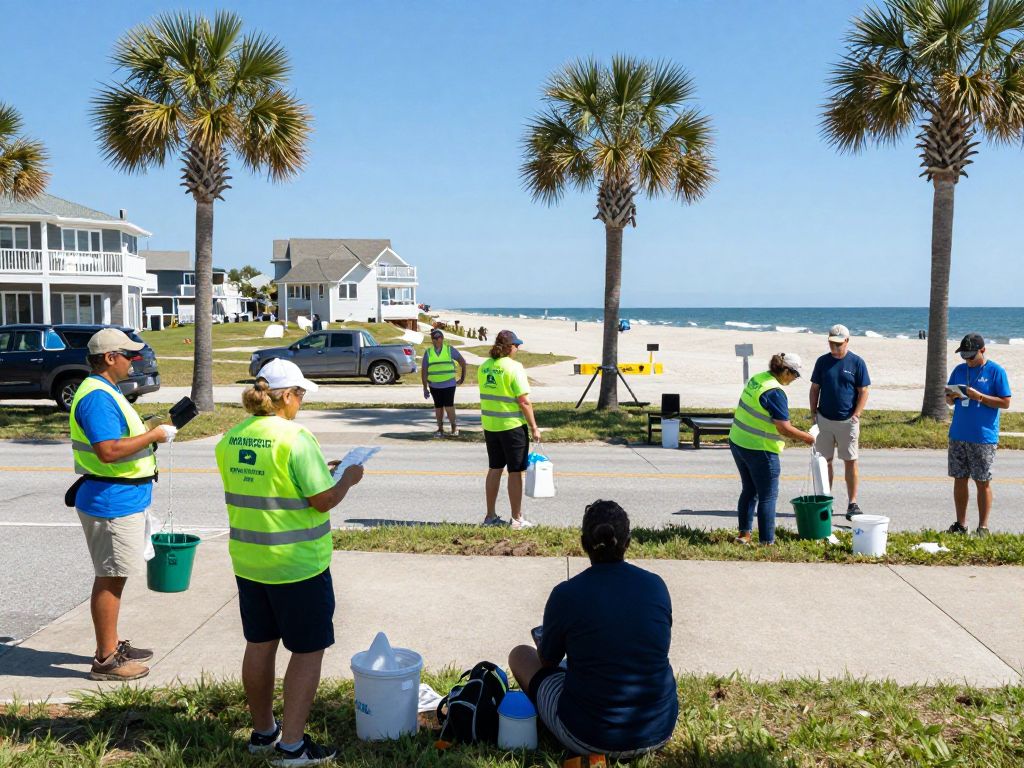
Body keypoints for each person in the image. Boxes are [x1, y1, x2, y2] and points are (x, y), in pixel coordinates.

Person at [215, 359, 364, 765]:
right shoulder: (296, 438)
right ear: (286, 396)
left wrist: (321, 472)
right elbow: (322, 501)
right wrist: (348, 476)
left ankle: (264, 733)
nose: (301, 402)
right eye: (300, 394)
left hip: (249, 562)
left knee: (259, 645)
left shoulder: (231, 438)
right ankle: (293, 746)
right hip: (298, 565)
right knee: (307, 650)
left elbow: (269, 485)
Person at [508, 500, 677, 760]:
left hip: (587, 736)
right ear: (627, 542)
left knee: (520, 655)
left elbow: (547, 661)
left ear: (584, 543)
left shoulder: (566, 594)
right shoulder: (656, 586)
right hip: (658, 729)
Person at [69, 328, 176, 681]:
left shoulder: (108, 391)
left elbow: (119, 439)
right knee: (110, 578)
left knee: (115, 575)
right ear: (110, 358)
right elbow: (109, 451)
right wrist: (154, 435)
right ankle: (106, 660)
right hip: (110, 501)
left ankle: (112, 644)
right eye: (129, 355)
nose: (135, 360)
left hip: (120, 497)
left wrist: (150, 430)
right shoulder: (97, 397)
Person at [728, 352, 815, 545]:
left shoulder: (758, 379)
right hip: (760, 449)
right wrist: (808, 438)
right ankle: (767, 543)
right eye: (795, 374)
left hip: (738, 441)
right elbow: (783, 428)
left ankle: (744, 535)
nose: (795, 379)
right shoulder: (775, 392)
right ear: (785, 371)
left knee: (749, 490)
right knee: (768, 496)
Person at [945, 333, 1012, 537]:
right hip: (958, 434)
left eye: (971, 356)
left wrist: (980, 397)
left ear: (983, 350)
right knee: (959, 478)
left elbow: (1006, 402)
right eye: (964, 356)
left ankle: (983, 527)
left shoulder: (995, 372)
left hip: (983, 437)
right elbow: (948, 400)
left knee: (982, 482)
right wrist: (952, 396)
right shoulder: (959, 370)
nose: (967, 360)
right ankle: (961, 524)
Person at [479, 329, 542, 529]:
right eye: (516, 345)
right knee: (515, 472)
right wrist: (534, 427)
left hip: (491, 426)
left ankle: (490, 516)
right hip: (512, 427)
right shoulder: (514, 367)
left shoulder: (485, 367)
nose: (518, 348)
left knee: (495, 468)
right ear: (509, 347)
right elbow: (524, 401)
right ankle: (516, 519)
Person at [809, 324, 871, 519]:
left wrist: (857, 414)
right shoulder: (822, 362)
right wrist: (813, 413)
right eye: (831, 343)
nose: (834, 348)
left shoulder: (857, 363)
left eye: (838, 344)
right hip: (824, 419)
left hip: (847, 421)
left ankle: (852, 503)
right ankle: (825, 500)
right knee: (824, 462)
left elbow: (864, 391)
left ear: (847, 341)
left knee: (850, 461)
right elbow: (814, 389)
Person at [421, 329, 467, 437]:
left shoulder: (449, 350)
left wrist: (462, 378)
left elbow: (463, 362)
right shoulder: (428, 353)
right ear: (432, 340)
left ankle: (454, 427)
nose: (437, 340)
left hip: (449, 385)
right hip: (434, 385)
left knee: (449, 406)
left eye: (438, 337)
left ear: (442, 338)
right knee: (438, 407)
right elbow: (424, 371)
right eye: (434, 338)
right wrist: (424, 387)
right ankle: (440, 429)